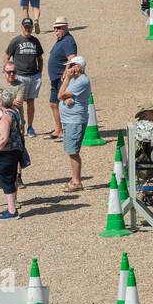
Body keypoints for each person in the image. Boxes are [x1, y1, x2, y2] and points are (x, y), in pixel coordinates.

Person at [0, 89, 24, 220]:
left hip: (6, 154)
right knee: (11, 179)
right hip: (14, 151)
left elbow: (3, 138)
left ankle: (12, 211)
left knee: (7, 182)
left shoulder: (5, 117)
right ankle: (11, 207)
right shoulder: (15, 111)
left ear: (1, 102)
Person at [5, 16, 44, 135]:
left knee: (31, 102)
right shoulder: (16, 41)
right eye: (25, 27)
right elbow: (6, 56)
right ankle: (18, 126)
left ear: (32, 28)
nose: (27, 29)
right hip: (20, 76)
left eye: (29, 27)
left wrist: (39, 73)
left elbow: (40, 58)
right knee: (18, 102)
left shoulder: (35, 41)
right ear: (22, 27)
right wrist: (10, 72)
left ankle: (30, 127)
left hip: (33, 76)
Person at [58, 54, 90, 192]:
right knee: (70, 150)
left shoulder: (81, 81)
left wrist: (68, 78)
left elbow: (60, 95)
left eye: (71, 66)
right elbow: (64, 95)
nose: (68, 68)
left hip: (75, 121)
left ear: (79, 67)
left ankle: (77, 181)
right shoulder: (75, 79)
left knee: (73, 151)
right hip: (69, 119)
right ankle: (75, 179)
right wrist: (65, 99)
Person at [46, 17, 78, 141]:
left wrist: (66, 73)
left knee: (67, 103)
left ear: (65, 27)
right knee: (53, 103)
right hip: (55, 79)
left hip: (62, 79)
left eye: (59, 28)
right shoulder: (61, 40)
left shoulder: (68, 41)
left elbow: (72, 58)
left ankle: (69, 131)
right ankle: (58, 129)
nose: (56, 30)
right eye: (55, 28)